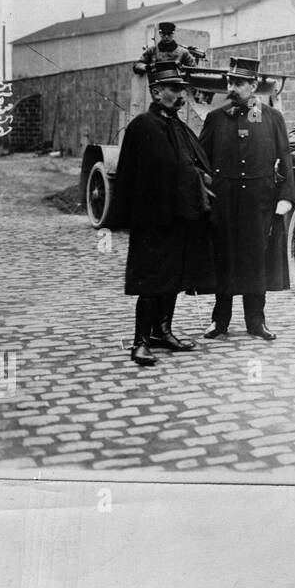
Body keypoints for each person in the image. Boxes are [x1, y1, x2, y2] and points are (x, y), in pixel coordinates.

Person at [110, 62, 215, 367]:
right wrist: (127, 218)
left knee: (174, 277)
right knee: (151, 280)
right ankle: (140, 341)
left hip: (180, 216)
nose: (179, 95)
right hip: (153, 219)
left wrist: (200, 177)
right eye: (173, 89)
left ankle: (163, 331)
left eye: (181, 89)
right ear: (156, 92)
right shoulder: (142, 125)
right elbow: (130, 174)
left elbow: (193, 164)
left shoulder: (179, 127)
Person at [199, 57, 295, 342]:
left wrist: (286, 195)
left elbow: (285, 157)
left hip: (259, 201)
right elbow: (201, 159)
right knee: (225, 257)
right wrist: (205, 191)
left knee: (256, 258)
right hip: (225, 200)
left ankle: (256, 321)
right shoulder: (216, 118)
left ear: (253, 85)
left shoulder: (272, 117)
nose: (233, 87)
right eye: (230, 82)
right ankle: (220, 320)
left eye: (239, 83)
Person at [133, 22, 204, 76]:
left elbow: (194, 70)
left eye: (169, 34)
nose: (166, 37)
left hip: (177, 86)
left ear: (173, 34)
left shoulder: (183, 52)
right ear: (160, 34)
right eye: (164, 34)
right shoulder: (152, 50)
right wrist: (146, 67)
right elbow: (138, 64)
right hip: (157, 84)